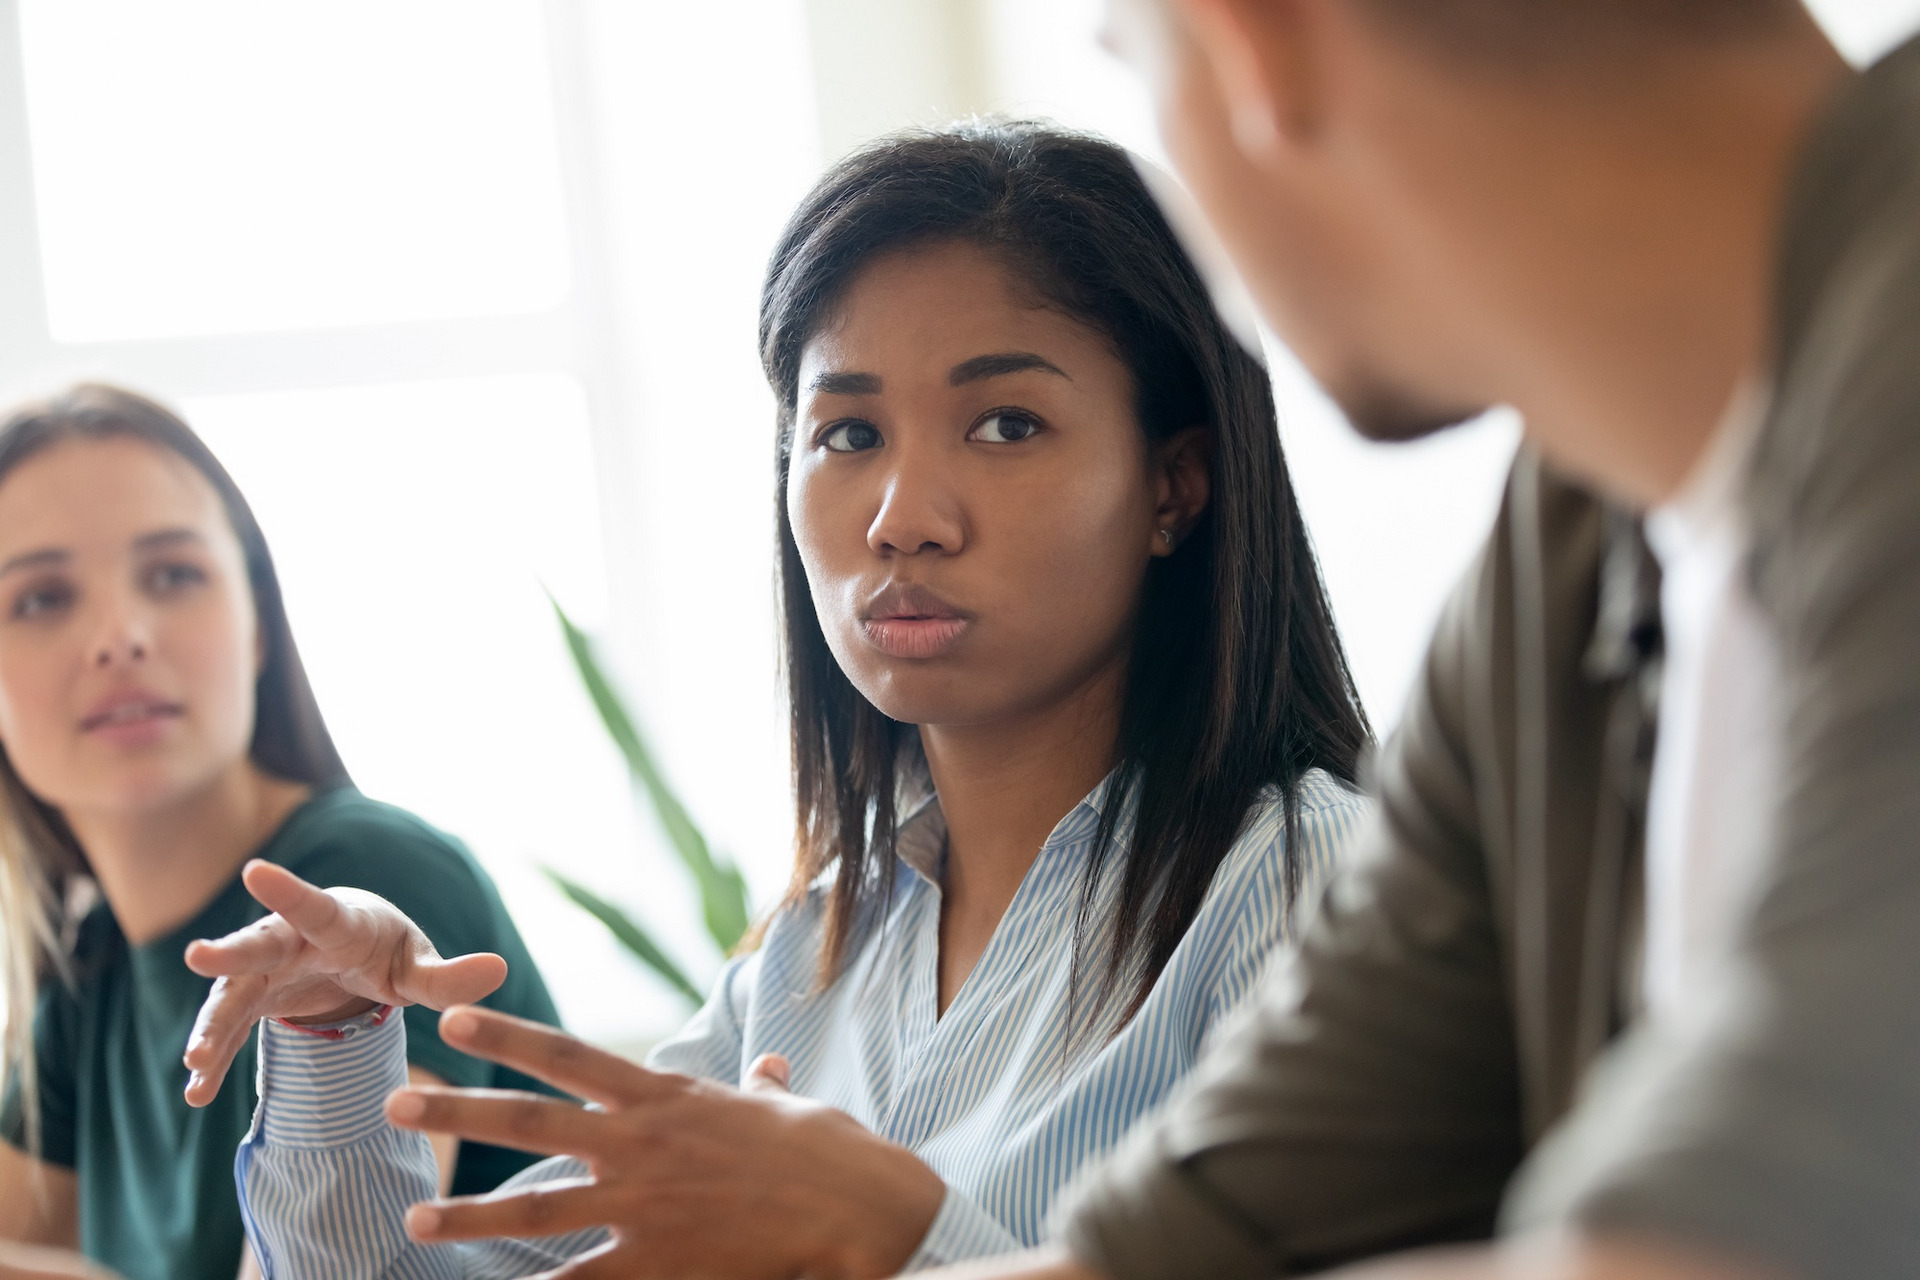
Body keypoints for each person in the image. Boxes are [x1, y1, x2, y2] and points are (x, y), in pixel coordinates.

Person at [177, 122, 1375, 1278]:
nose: (902, 515)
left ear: (1176, 485)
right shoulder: (807, 951)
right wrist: (335, 1036)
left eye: (1006, 423)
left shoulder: (1302, 888)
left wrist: (897, 1229)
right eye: (847, 430)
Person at [926, 2, 1920, 1280]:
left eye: (1138, 71)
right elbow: (1182, 1250)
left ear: (1252, 47)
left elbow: (1732, 1242)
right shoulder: (1568, 535)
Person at [0, 385, 564, 1280]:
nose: (119, 636)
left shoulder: (365, 883)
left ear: (258, 624)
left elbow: (350, 1263)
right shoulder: (85, 973)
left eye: (173, 574)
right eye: (39, 599)